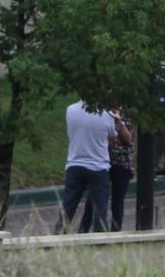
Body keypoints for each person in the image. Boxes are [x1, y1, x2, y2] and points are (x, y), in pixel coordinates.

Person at [54, 100, 131, 234]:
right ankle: (100, 238)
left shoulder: (70, 110)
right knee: (100, 209)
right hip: (98, 166)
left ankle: (58, 235)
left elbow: (70, 133)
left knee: (68, 204)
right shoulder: (106, 115)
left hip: (75, 163)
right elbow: (112, 138)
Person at [80, 110, 135, 232]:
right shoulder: (100, 114)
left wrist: (119, 122)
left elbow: (129, 139)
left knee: (117, 201)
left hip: (122, 163)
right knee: (92, 198)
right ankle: (83, 230)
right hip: (103, 161)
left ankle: (115, 232)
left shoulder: (127, 115)